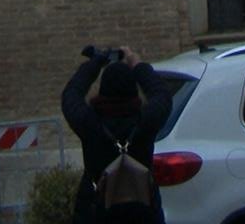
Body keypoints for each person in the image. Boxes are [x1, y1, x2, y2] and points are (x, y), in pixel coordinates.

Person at [61, 44, 170, 223]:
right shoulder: (146, 120)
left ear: (103, 90)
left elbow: (71, 94)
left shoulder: (89, 123)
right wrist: (137, 65)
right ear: (133, 92)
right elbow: (161, 94)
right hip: (142, 212)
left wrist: (95, 63)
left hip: (96, 211)